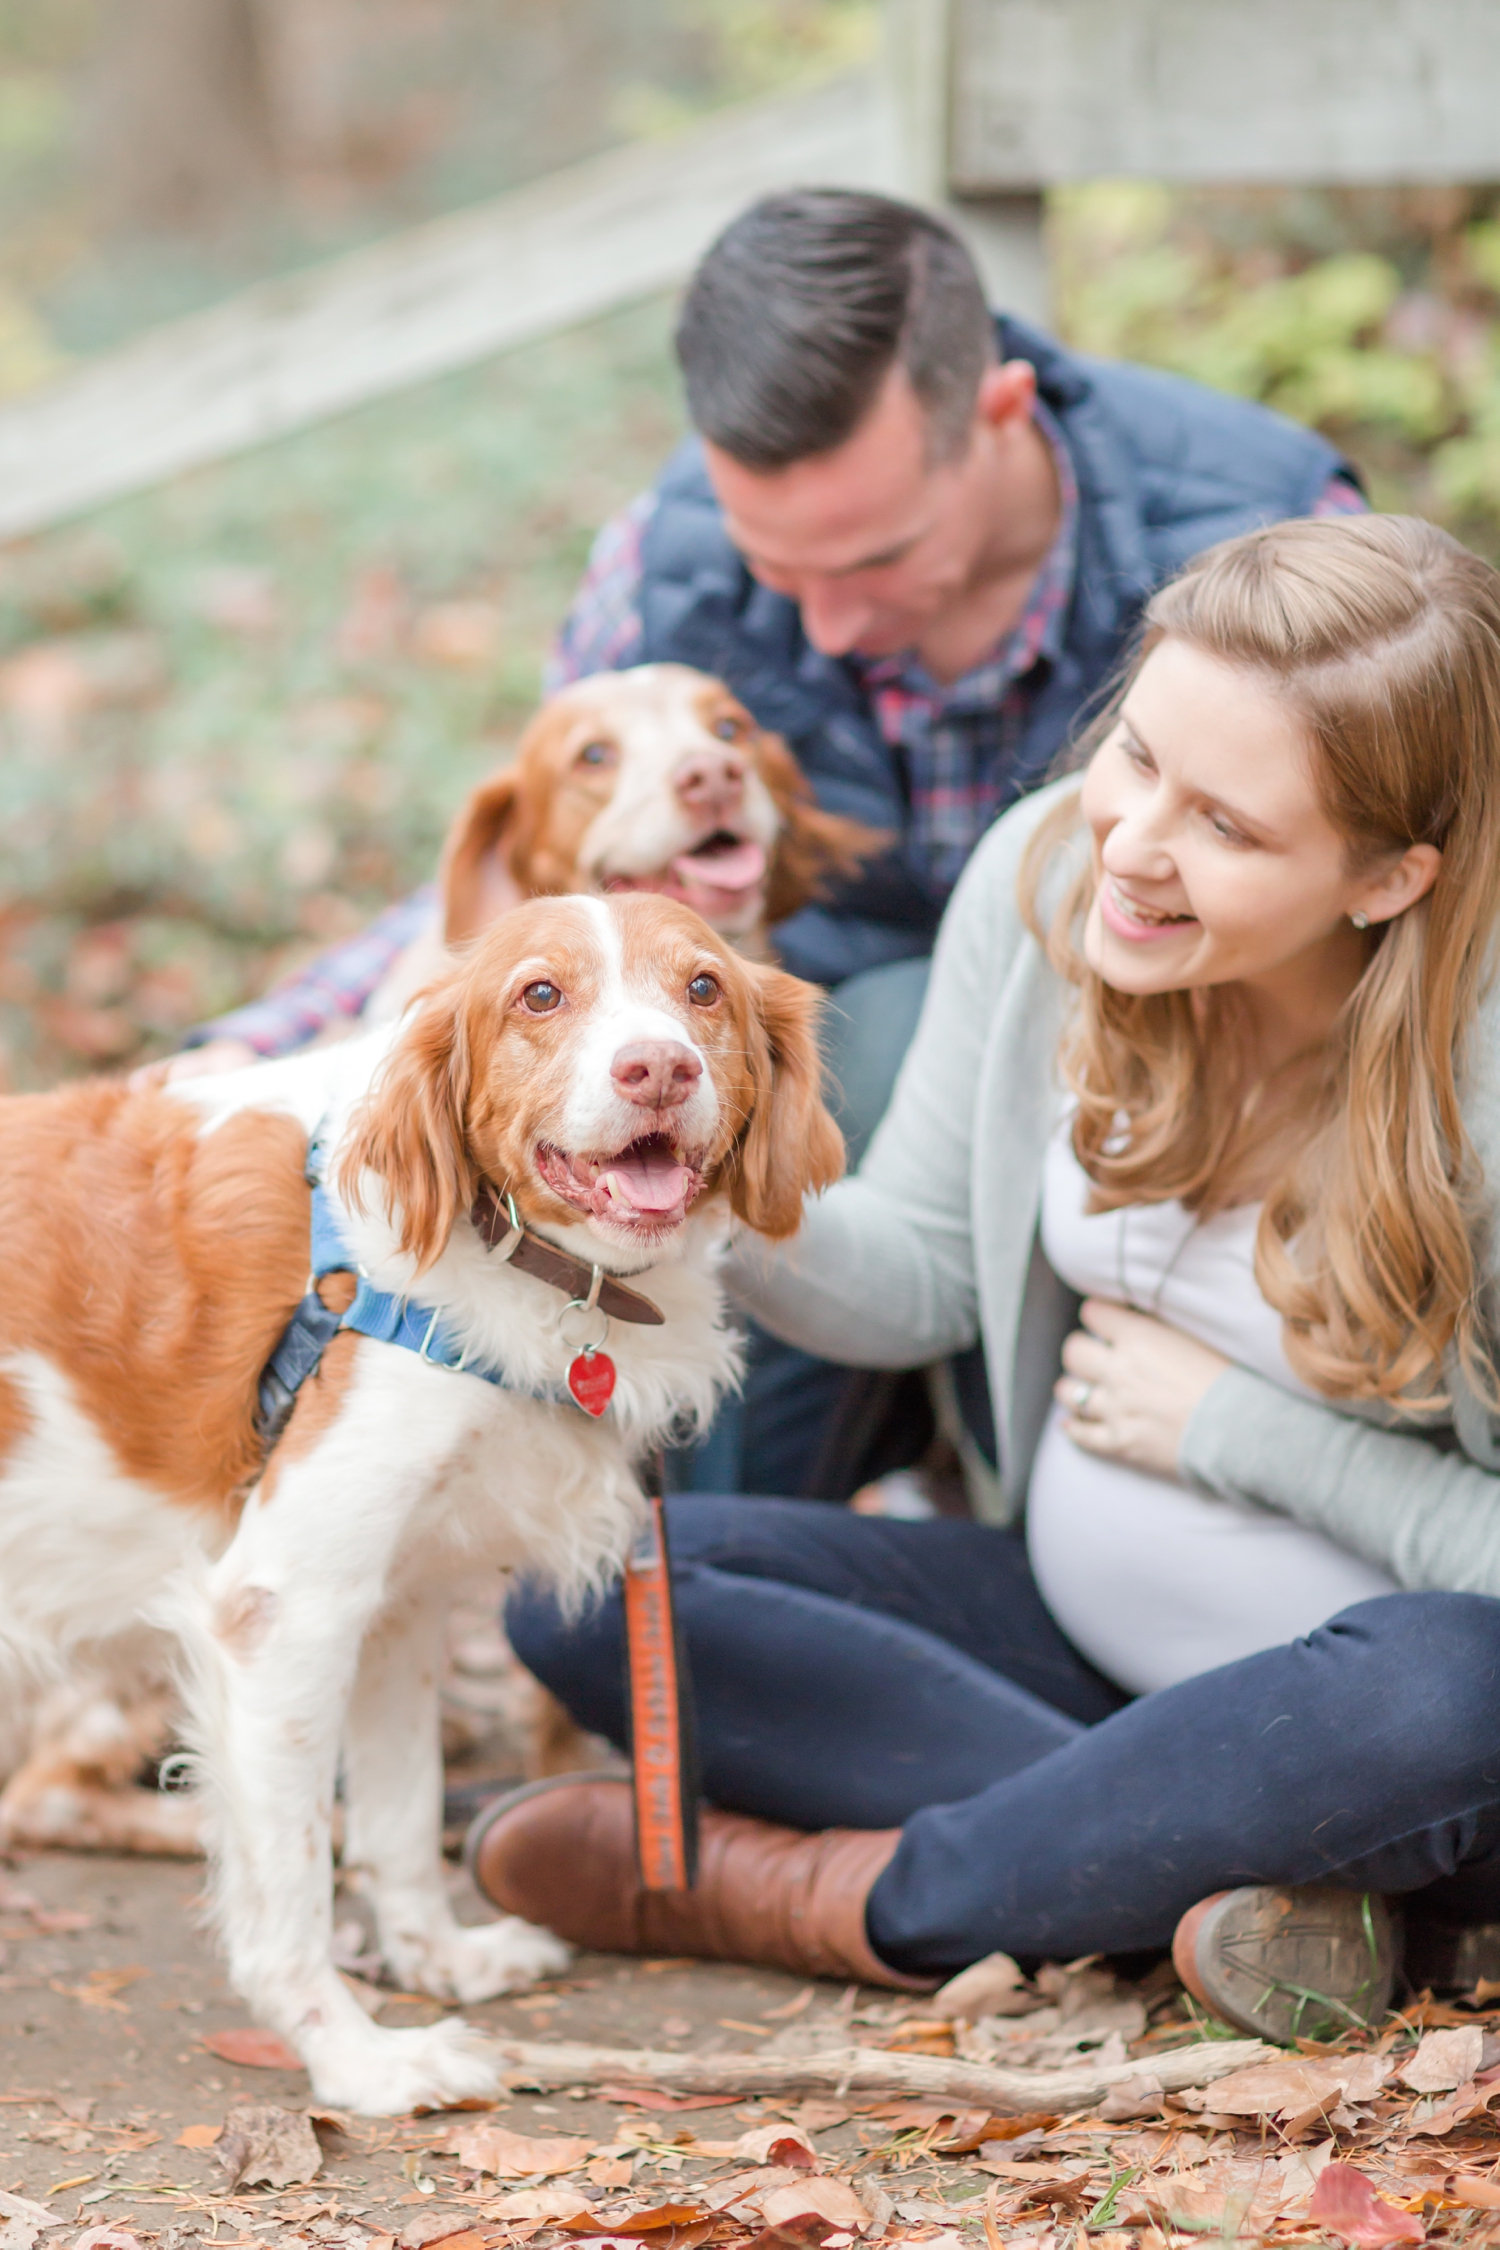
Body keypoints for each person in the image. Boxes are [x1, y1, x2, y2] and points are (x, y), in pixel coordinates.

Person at [466, 514, 1500, 2039]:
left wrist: (1237, 1430)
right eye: (1138, 756)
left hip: (1393, 1715)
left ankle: (868, 1897)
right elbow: (925, 1273)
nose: (1135, 842)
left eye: (1229, 824)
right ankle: (1223, 1866)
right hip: (1067, 1648)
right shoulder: (1052, 885)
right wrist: (697, 1176)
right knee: (593, 1581)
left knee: (1451, 1690)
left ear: (1387, 876)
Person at [177, 188, 1366, 1496]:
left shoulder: (1262, 533)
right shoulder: (671, 557)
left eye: (878, 558)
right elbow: (551, 867)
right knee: (780, 1072)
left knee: (899, 1023)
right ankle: (711, 1563)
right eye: (782, 572)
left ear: (1001, 415)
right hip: (789, 1065)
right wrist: (258, 1049)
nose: (834, 628)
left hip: (1180, 1057)